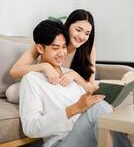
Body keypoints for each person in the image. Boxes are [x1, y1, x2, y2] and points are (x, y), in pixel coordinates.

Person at [20, 19, 132, 147]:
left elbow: (87, 111)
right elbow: (30, 128)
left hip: (86, 136)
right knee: (98, 109)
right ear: (40, 48)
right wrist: (73, 109)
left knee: (101, 108)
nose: (62, 53)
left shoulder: (70, 74)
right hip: (61, 142)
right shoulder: (31, 80)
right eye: (55, 48)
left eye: (63, 47)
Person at [6, 9, 97, 103]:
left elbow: (91, 87)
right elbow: (14, 72)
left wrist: (74, 75)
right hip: (43, 84)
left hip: (65, 89)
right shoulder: (47, 42)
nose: (82, 36)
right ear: (68, 26)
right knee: (12, 93)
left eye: (87, 33)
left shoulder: (89, 49)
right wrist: (45, 66)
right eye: (78, 30)